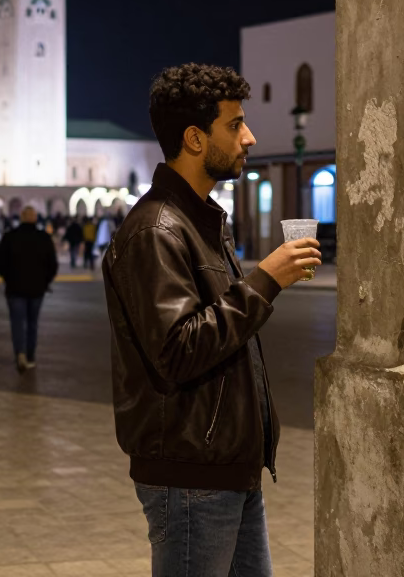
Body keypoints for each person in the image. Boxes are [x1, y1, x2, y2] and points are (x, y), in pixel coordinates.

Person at [104, 63, 321, 575]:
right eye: (235, 124)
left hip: (226, 468)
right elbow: (179, 349)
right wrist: (265, 280)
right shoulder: (157, 229)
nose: (249, 137)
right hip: (190, 476)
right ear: (195, 138)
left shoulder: (201, 221)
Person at [0, 206, 59, 373]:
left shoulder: (10, 237)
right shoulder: (43, 238)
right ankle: (30, 357)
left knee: (17, 323)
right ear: (35, 219)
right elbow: (53, 264)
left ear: (21, 218)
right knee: (32, 323)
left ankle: (20, 352)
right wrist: (45, 281)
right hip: (37, 289)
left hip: (15, 288)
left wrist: (7, 278)